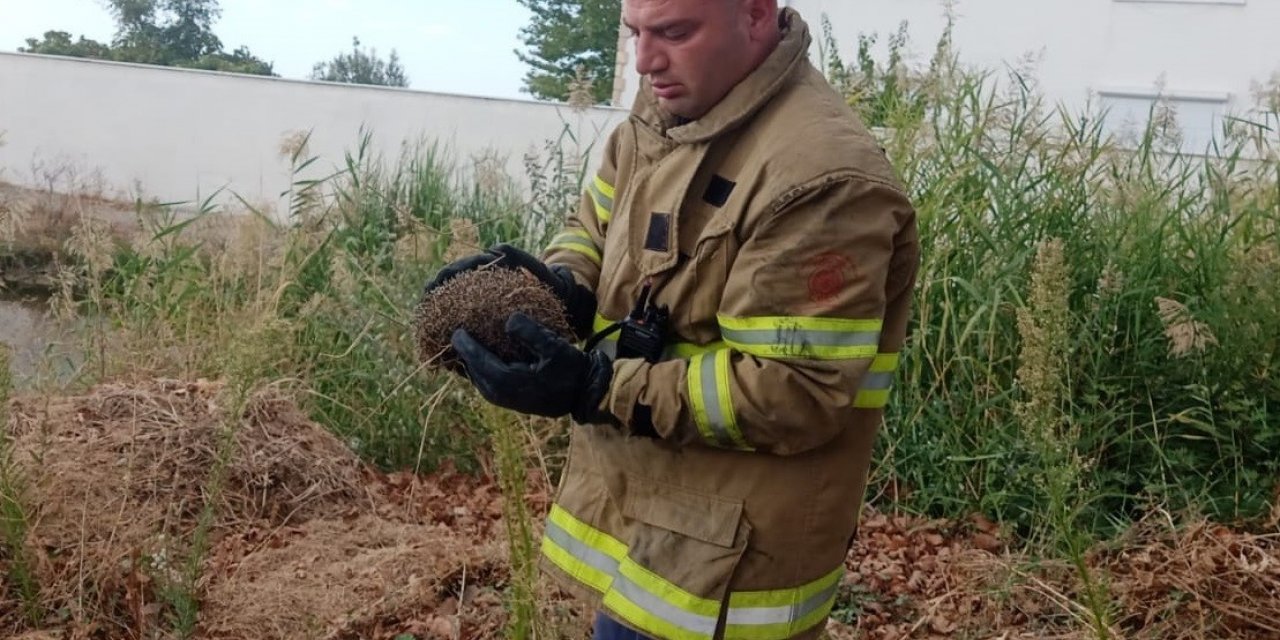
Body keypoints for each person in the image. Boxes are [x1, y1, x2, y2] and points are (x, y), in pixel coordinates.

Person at [424, 0, 920, 637]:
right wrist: (563, 285)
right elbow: (595, 225)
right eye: (634, 31)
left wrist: (598, 387)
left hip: (729, 576)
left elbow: (796, 390)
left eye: (675, 32)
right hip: (649, 531)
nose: (644, 61)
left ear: (755, 13)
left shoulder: (822, 177)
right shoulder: (671, 103)